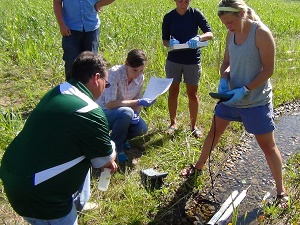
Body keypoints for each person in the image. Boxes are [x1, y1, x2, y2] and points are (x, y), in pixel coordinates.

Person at [181, 0, 288, 208]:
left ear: (241, 14)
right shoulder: (231, 34)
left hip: (256, 100)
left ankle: (280, 191)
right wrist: (224, 79)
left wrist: (246, 90)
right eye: (224, 24)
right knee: (213, 133)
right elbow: (226, 64)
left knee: (267, 146)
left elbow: (268, 70)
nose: (228, 27)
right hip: (231, 97)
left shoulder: (261, 34)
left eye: (230, 22)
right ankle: (198, 167)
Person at [0, 51, 118, 224]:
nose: (104, 89)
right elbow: (105, 161)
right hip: (40, 196)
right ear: (96, 78)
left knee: (84, 151)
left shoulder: (59, 90)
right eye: (105, 84)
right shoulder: (90, 111)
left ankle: (78, 203)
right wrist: (111, 146)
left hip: (12, 173)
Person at [162, 0, 213, 138]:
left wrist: (199, 37)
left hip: (192, 60)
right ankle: (173, 123)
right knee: (173, 92)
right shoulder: (169, 17)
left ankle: (193, 126)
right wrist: (170, 43)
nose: (183, 3)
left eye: (186, 0)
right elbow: (165, 40)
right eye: (180, 0)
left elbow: (209, 33)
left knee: (193, 94)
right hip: (174, 60)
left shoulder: (195, 14)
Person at [96, 49, 156, 162]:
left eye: (141, 71)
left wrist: (136, 113)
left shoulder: (140, 77)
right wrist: (138, 102)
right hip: (104, 113)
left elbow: (136, 98)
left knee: (142, 128)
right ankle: (116, 149)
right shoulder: (114, 73)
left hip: (124, 113)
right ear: (126, 64)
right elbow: (110, 104)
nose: (138, 74)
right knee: (126, 112)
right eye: (135, 70)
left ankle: (117, 139)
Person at [53, 0, 115, 81]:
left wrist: (99, 4)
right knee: (71, 62)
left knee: (91, 63)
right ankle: (71, 89)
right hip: (70, 29)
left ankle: (89, 90)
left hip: (91, 28)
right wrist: (61, 25)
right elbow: (57, 2)